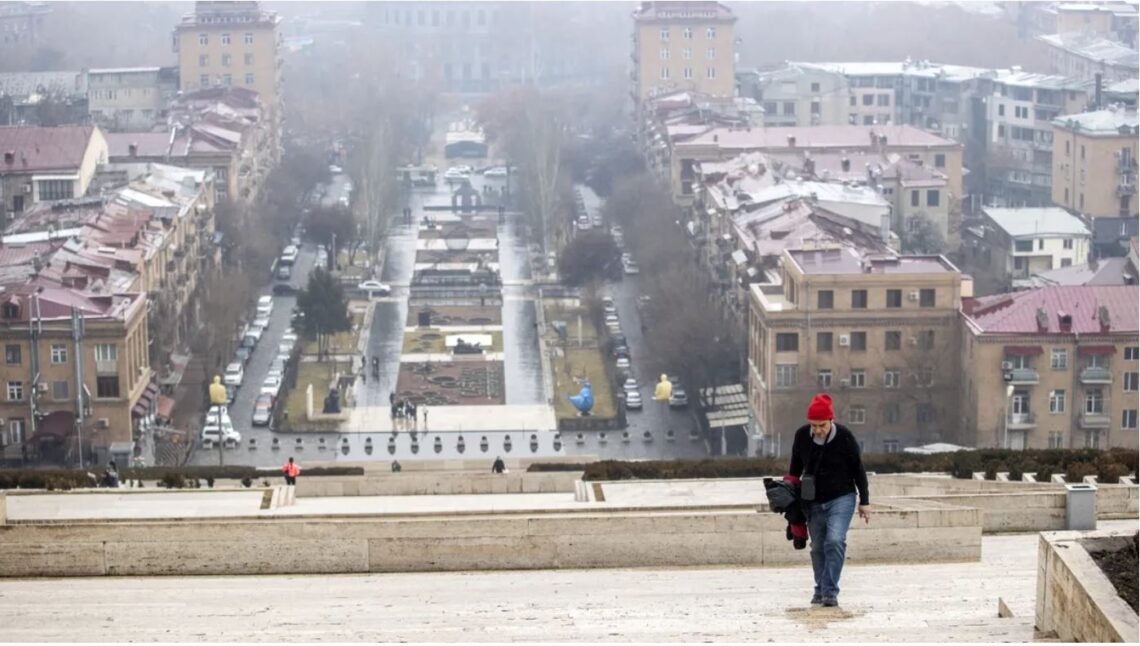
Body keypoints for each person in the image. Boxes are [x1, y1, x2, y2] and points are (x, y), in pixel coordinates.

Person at [788, 393, 871, 608]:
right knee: (817, 547)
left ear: (831, 420)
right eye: (813, 425)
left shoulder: (844, 437)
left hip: (842, 497)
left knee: (834, 541)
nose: (817, 430)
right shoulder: (801, 436)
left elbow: (858, 469)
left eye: (821, 425)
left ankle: (830, 591)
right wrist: (790, 501)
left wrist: (865, 500)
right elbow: (794, 470)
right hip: (812, 501)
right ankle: (821, 589)